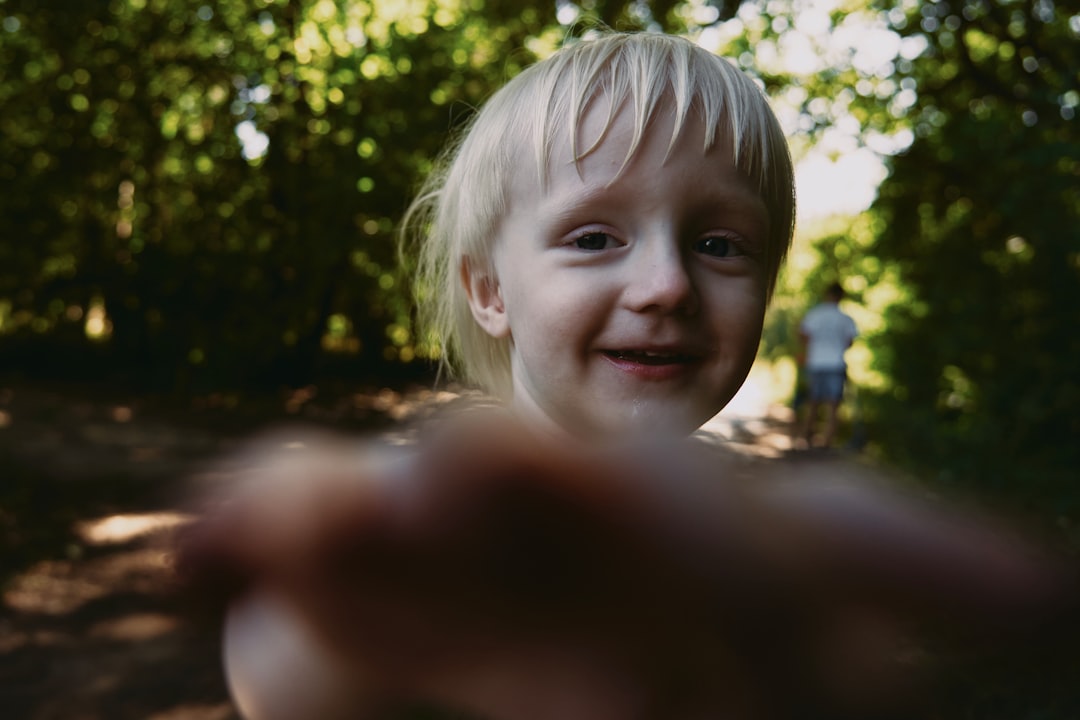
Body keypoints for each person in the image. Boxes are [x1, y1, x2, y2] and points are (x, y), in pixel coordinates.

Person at [177, 32, 1070, 720]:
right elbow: (291, 663)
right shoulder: (439, 507)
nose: (668, 285)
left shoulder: (739, 550)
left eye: (720, 244)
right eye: (595, 238)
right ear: (490, 290)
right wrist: (352, 604)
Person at [797, 282, 858, 450]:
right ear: (841, 297)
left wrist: (809, 350)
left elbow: (803, 334)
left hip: (816, 362)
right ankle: (827, 441)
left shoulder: (815, 314)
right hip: (836, 364)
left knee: (813, 401)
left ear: (827, 294)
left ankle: (807, 437)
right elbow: (850, 342)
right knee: (833, 405)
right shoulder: (845, 318)